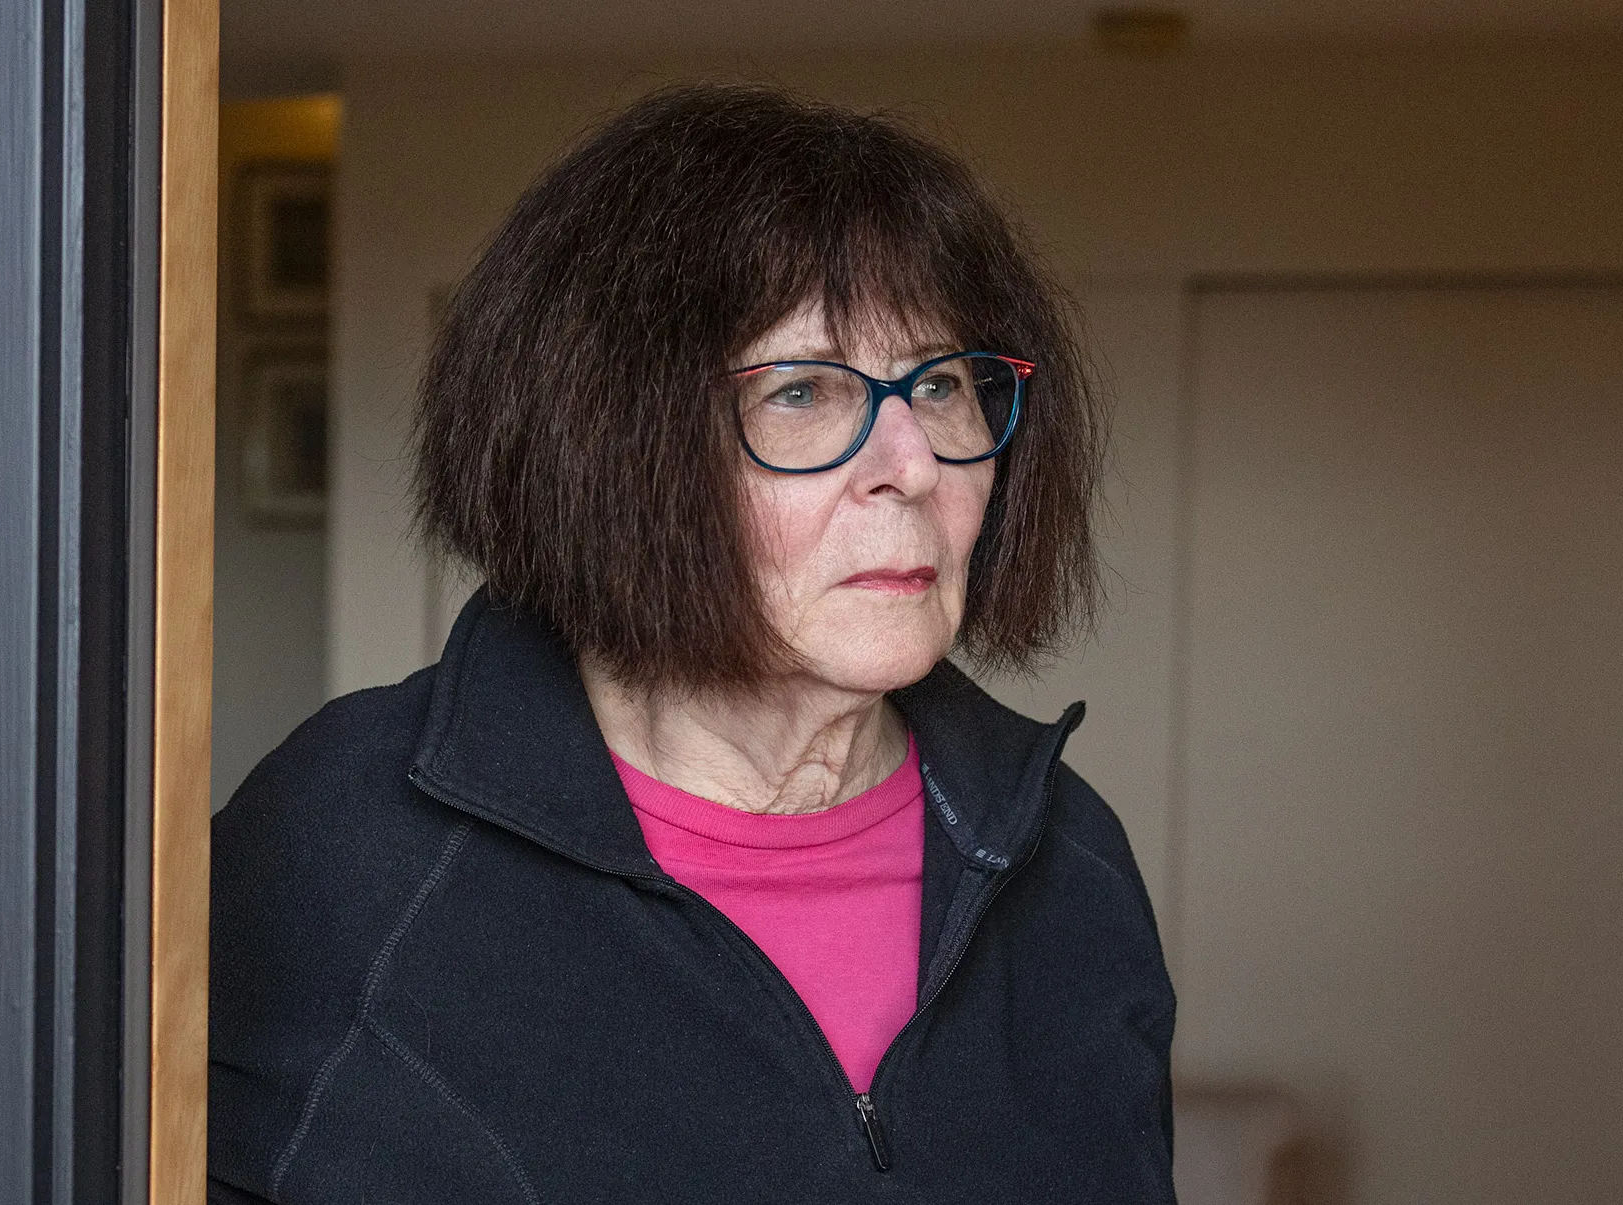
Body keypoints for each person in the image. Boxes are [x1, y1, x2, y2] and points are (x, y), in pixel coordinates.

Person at [210, 83, 1175, 1204]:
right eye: (805, 390)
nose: (911, 462)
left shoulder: (1070, 859)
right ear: (614, 447)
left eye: (942, 382)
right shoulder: (341, 840)